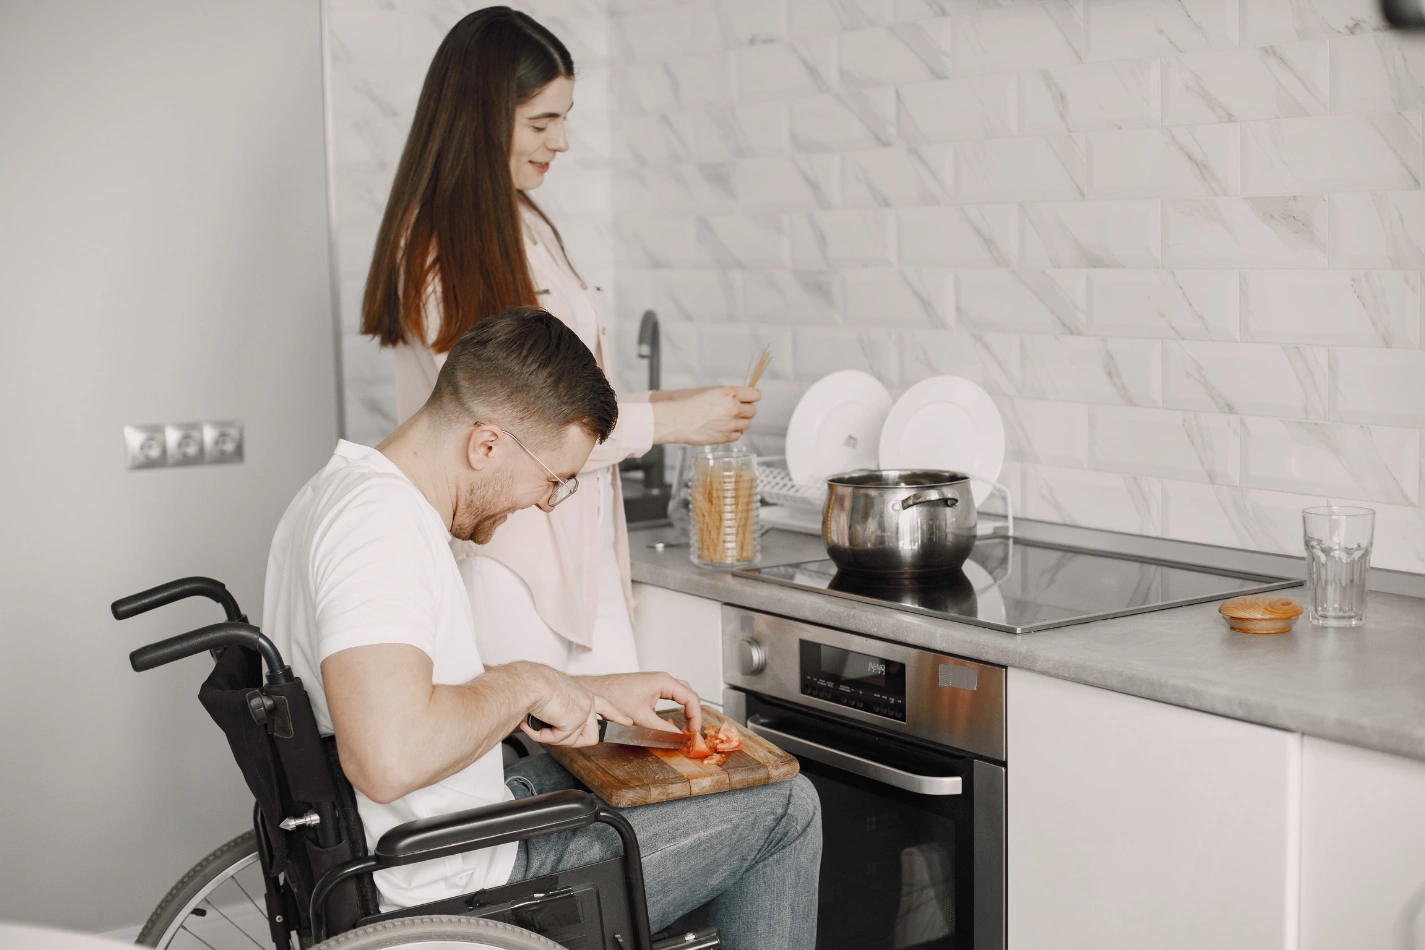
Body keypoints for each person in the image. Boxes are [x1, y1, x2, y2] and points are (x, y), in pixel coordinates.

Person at [263, 308, 820, 949]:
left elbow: (412, 702)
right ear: (487, 444)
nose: (543, 502)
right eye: (554, 480)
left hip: (445, 837)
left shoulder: (341, 495)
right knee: (787, 807)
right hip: (456, 895)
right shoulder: (379, 532)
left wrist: (583, 689)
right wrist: (529, 682)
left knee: (651, 779)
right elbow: (389, 758)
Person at [361, 6, 760, 675]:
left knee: (613, 760)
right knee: (563, 766)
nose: (562, 142)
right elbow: (518, 419)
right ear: (480, 118)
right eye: (542, 122)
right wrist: (670, 420)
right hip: (508, 561)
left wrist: (670, 402)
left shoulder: (527, 224)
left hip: (582, 553)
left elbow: (561, 388)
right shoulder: (438, 251)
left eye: (564, 119)